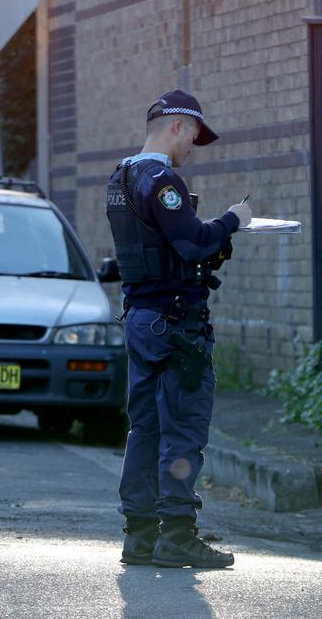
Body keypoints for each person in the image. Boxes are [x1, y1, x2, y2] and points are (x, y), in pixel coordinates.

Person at [105, 89, 252, 569]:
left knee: (144, 428)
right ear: (175, 126)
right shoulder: (159, 178)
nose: (192, 147)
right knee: (183, 428)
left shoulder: (120, 176)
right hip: (176, 326)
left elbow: (165, 249)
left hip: (142, 321)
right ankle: (180, 537)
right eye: (193, 135)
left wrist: (211, 244)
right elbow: (190, 243)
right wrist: (233, 220)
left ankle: (140, 535)